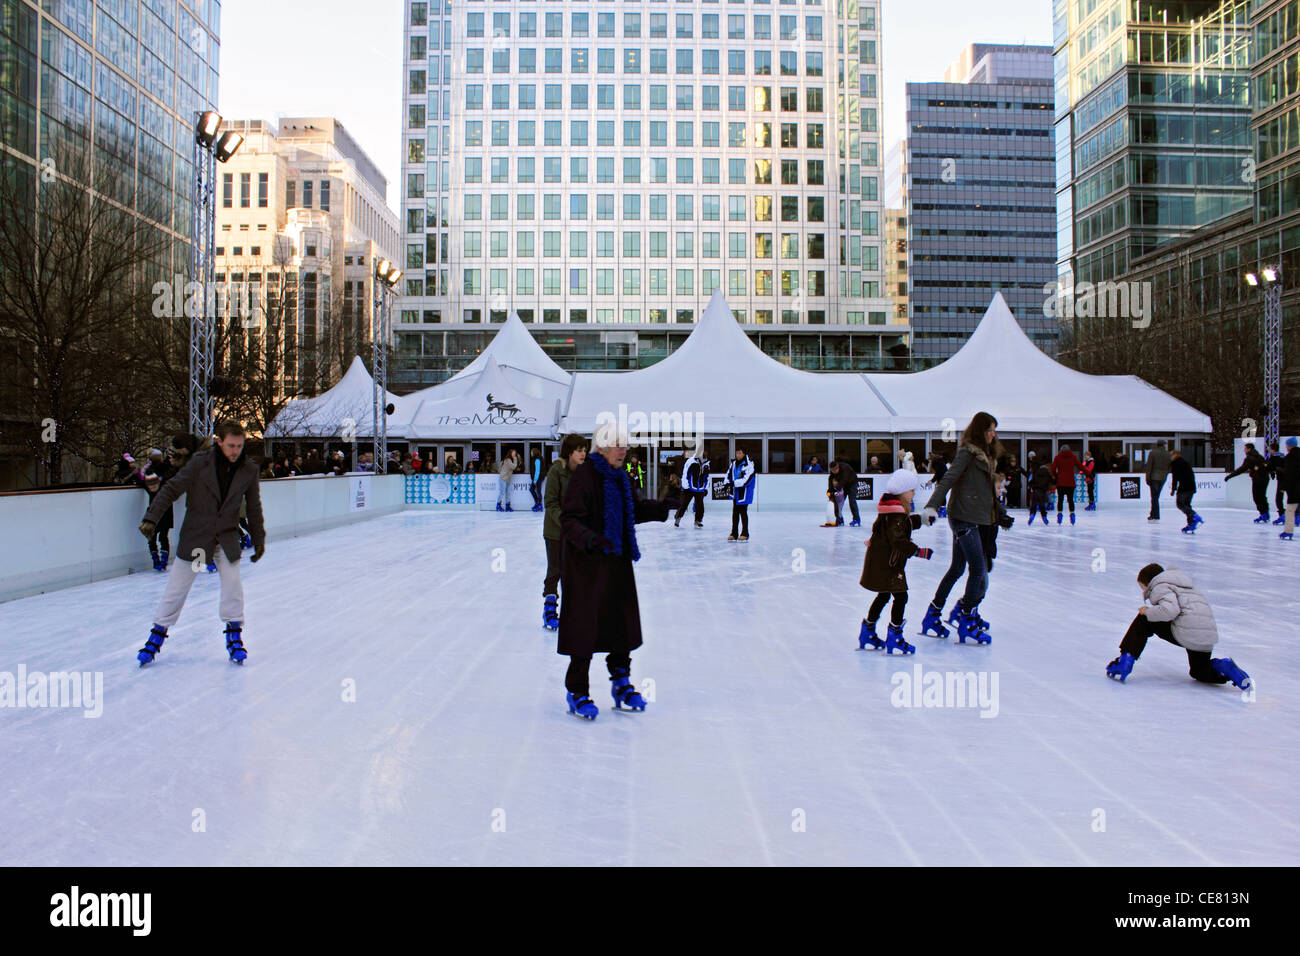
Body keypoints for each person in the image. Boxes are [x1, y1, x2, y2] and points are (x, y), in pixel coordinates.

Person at [557, 431, 674, 719]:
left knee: (621, 624)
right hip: (587, 566)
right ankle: (577, 691)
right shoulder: (585, 477)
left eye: (625, 446)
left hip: (616, 563)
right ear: (602, 447)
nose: (623, 451)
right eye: (617, 446)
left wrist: (660, 510)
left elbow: (629, 510)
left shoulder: (620, 477)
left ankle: (621, 683)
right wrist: (592, 540)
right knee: (585, 629)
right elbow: (569, 520)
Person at [136, 420, 266, 667]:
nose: (235, 451)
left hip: (226, 538)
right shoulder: (200, 463)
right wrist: (151, 518)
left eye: (239, 446)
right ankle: (157, 634)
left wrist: (258, 539)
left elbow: (253, 506)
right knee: (178, 587)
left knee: (232, 586)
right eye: (231, 445)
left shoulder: (248, 469)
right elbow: (172, 488)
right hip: (198, 538)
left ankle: (234, 634)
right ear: (219, 442)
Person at [917, 411, 1000, 645]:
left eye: (995, 429)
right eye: (990, 429)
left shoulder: (986, 455)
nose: (994, 434)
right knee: (978, 568)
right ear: (980, 431)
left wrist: (1000, 515)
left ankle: (934, 614)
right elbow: (948, 479)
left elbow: (988, 493)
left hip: (977, 517)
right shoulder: (968, 453)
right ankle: (966, 618)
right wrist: (932, 506)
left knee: (957, 568)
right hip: (964, 518)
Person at [1105, 563, 1251, 690]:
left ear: (1150, 583)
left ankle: (1125, 660)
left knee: (1144, 619)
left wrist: (1148, 611)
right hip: (1206, 636)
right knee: (1200, 671)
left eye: (1143, 588)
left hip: (1188, 632)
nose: (1144, 593)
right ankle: (1223, 667)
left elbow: (1170, 610)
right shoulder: (1187, 587)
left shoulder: (1160, 587)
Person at [857, 468, 933, 655]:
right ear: (901, 492)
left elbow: (904, 525)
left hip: (881, 561)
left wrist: (922, 519)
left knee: (884, 595)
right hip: (889, 564)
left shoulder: (891, 511)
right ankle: (895, 637)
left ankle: (867, 631)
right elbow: (898, 540)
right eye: (911, 490)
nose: (914, 493)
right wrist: (918, 551)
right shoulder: (896, 514)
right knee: (901, 596)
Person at [542, 434, 588, 630]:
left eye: (585, 449)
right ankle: (549, 611)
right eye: (580, 450)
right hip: (555, 532)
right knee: (555, 571)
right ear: (570, 452)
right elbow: (550, 503)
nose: (583, 453)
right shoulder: (556, 471)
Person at [1225, 442, 1272, 523]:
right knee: (1262, 496)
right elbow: (1265, 466)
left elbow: (1241, 469)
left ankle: (1263, 514)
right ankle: (1266, 513)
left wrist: (1230, 476)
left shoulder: (1250, 458)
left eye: (1245, 449)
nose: (1244, 450)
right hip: (1265, 479)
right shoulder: (1259, 456)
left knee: (1257, 497)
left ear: (1249, 449)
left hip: (1258, 479)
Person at [979, 473, 1015, 571]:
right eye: (998, 488)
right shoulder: (985, 503)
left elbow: (1000, 514)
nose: (1001, 491)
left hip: (988, 546)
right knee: (979, 576)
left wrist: (1005, 519)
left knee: (982, 579)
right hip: (982, 547)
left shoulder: (995, 503)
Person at [674, 447, 710, 528]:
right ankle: (678, 518)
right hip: (690, 487)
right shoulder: (691, 461)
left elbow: (706, 477)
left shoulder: (707, 463)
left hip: (700, 488)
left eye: (704, 451)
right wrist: (685, 486)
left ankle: (698, 520)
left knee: (700, 506)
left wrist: (706, 488)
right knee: (684, 504)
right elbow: (685, 473)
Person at [727, 447, 756, 541]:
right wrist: (727, 483)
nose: (738, 455)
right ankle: (734, 533)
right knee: (735, 513)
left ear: (744, 454)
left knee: (743, 512)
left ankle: (745, 533)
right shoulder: (734, 464)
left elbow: (746, 480)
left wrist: (733, 483)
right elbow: (728, 475)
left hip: (744, 493)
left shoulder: (749, 465)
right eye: (737, 453)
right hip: (736, 492)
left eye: (740, 453)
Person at [1169, 448, 1201, 533]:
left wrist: (1173, 489)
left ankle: (1194, 516)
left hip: (1184, 487)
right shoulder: (1185, 462)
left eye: (1171, 455)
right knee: (1186, 505)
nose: (1170, 457)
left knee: (1180, 504)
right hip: (1191, 487)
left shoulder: (1176, 463)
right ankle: (1191, 523)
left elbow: (1175, 477)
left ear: (1175, 455)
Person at [1050, 443, 1083, 525]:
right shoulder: (1073, 457)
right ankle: (1072, 514)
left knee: (1060, 500)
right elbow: (1080, 466)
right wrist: (1089, 474)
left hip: (1060, 483)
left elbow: (1052, 469)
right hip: (1070, 483)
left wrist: (1055, 476)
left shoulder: (1057, 458)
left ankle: (1060, 515)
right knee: (1070, 500)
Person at [1278, 436, 1300, 540]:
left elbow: (1289, 474)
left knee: (1290, 511)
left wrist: (1283, 487)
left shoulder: (1290, 457)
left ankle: (1288, 531)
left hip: (1294, 488)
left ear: (1289, 446)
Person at [828, 458, 861, 527]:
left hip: (852, 484)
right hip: (843, 486)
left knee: (852, 501)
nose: (833, 472)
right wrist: (830, 493)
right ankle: (839, 518)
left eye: (834, 470)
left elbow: (844, 480)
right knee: (838, 502)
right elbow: (831, 482)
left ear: (837, 468)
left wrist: (836, 490)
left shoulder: (845, 468)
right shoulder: (832, 473)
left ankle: (857, 519)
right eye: (831, 470)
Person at [1145, 440, 1171, 521]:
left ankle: (1155, 515)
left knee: (1154, 497)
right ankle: (1154, 514)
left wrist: (1147, 478)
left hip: (1154, 477)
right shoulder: (1168, 454)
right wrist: (1166, 473)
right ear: (1164, 445)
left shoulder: (1152, 453)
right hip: (1163, 478)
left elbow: (1149, 466)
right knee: (1156, 496)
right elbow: (1170, 466)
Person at [1266, 441, 1287, 525]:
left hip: (1282, 480)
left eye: (1269, 449)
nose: (1269, 451)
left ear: (1272, 450)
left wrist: (1271, 472)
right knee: (1292, 497)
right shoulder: (1283, 456)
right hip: (1289, 479)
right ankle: (1296, 515)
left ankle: (1282, 515)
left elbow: (1269, 466)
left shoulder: (1273, 457)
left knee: (1279, 498)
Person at [1027, 460, 1053, 526]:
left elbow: (1031, 481)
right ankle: (1044, 517)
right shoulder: (1046, 472)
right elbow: (1051, 480)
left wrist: (1031, 485)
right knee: (1042, 505)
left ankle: (1032, 515)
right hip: (1043, 491)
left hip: (1036, 490)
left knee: (1034, 505)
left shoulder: (1035, 472)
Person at [529, 448, 545, 512]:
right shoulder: (537, 459)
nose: (531, 453)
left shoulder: (537, 459)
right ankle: (538, 503)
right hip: (539, 477)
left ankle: (539, 504)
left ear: (534, 452)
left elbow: (537, 471)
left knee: (537, 490)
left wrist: (535, 480)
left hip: (538, 477)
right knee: (534, 490)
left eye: (531, 452)